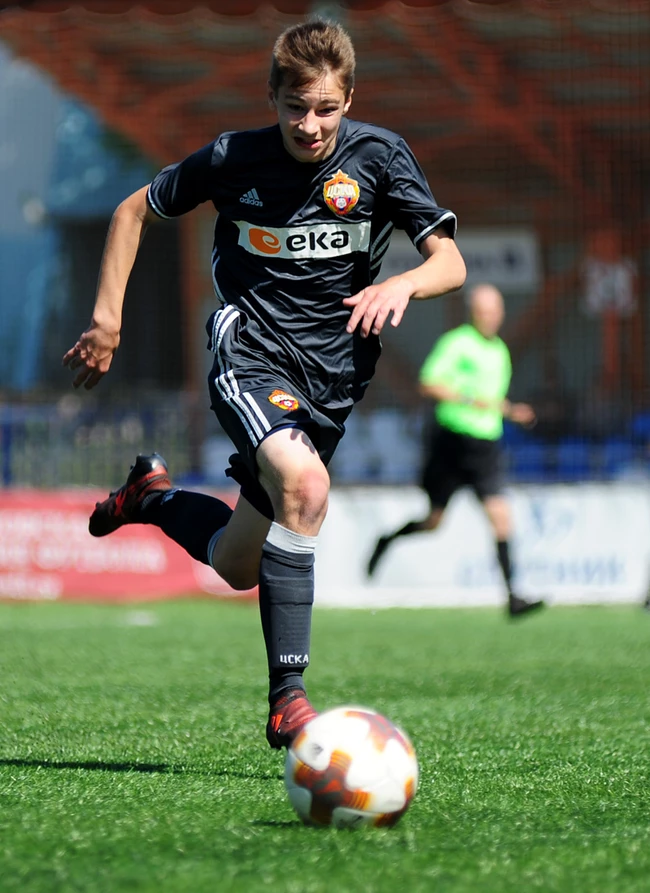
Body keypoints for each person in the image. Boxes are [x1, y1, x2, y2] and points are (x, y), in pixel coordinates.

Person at [62, 19, 466, 749]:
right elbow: (133, 211)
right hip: (250, 350)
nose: (310, 125)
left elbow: (450, 262)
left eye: (326, 109)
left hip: (333, 380)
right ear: (272, 98)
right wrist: (106, 322)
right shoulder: (232, 158)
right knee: (306, 487)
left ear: (349, 99)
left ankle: (151, 497)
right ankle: (289, 699)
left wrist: (403, 283)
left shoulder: (381, 158)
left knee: (236, 563)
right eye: (295, 108)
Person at [366, 283, 544, 618]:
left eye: (494, 311)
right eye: (483, 311)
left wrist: (511, 411)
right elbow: (428, 383)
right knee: (434, 522)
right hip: (451, 443)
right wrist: (468, 398)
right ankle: (387, 540)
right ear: (473, 313)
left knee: (501, 517)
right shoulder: (457, 343)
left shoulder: (500, 352)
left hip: (485, 447)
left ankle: (513, 596)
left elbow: (490, 400)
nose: (489, 317)